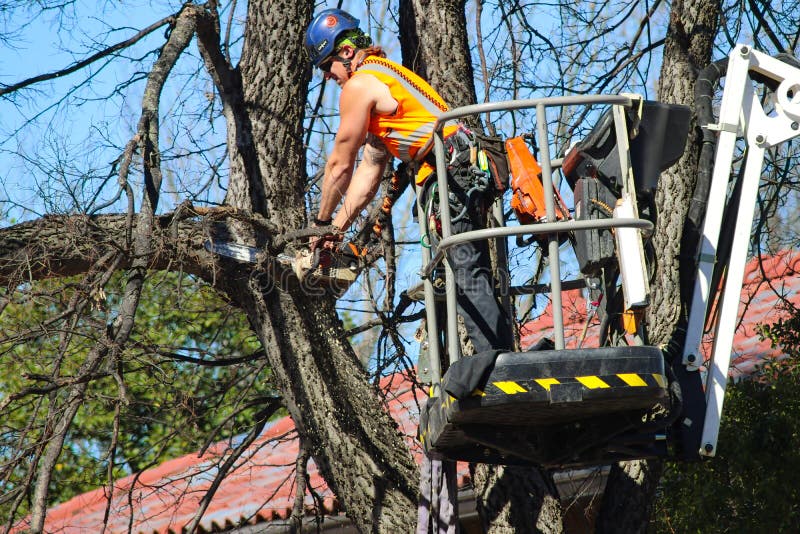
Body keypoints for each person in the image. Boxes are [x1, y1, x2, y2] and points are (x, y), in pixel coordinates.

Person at [304, 8, 511, 353]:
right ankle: (497, 354)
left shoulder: (359, 84)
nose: (327, 76)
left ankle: (496, 358)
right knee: (464, 266)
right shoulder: (384, 77)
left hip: (452, 169)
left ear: (345, 52)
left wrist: (321, 223)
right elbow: (368, 172)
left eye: (327, 65)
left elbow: (341, 162)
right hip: (457, 167)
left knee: (465, 267)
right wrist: (336, 232)